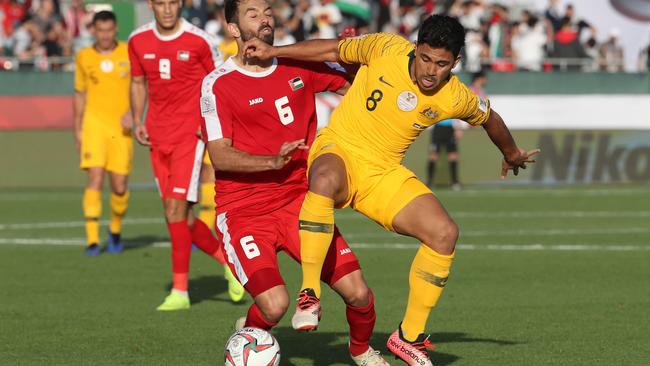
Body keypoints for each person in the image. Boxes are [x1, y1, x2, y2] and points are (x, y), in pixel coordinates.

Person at [245, 15, 540, 365]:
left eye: (441, 64)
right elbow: (331, 48)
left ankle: (408, 336)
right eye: (425, 58)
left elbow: (490, 118)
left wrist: (511, 153)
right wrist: (273, 50)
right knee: (323, 181)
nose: (430, 70)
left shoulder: (455, 95)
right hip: (339, 149)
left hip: (382, 174)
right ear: (416, 48)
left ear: (456, 63)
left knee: (444, 233)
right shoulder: (385, 47)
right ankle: (309, 292)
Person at [200, 1, 388, 364]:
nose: (265, 18)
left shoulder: (297, 62)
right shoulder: (217, 84)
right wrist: (273, 161)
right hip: (244, 211)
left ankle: (362, 351)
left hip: (301, 203)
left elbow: (356, 85)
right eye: (253, 13)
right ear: (234, 29)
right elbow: (220, 155)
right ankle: (252, 330)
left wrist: (353, 57)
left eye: (268, 10)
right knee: (275, 305)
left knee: (359, 293)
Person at [128, 0, 244, 310]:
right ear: (152, 5)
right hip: (157, 135)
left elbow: (220, 83)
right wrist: (138, 118)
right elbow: (138, 81)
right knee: (180, 215)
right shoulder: (137, 40)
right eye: (161, 3)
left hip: (189, 136)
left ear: (181, 4)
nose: (167, 9)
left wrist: (209, 124)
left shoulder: (199, 40)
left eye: (172, 3)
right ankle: (229, 262)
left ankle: (180, 291)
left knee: (174, 210)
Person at [74, 10, 131, 257]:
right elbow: (79, 93)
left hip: (121, 128)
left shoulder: (129, 52)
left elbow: (141, 85)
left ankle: (115, 230)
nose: (105, 35)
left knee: (119, 186)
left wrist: (134, 113)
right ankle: (92, 240)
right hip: (93, 126)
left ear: (115, 29)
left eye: (109, 30)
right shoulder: (83, 56)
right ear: (93, 31)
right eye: (100, 30)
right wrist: (77, 127)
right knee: (95, 177)